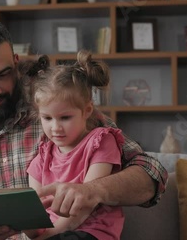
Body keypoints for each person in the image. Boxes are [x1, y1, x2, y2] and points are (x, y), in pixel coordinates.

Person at [0, 18, 168, 240]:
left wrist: (93, 190)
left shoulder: (59, 109)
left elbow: (152, 174)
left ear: (16, 65)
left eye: (3, 75)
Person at [22, 51, 125, 240]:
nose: (55, 127)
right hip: (52, 232)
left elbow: (85, 204)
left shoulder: (101, 142)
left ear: (86, 111)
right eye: (47, 118)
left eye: (65, 117)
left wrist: (50, 234)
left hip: (91, 232)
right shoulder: (42, 157)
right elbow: (35, 209)